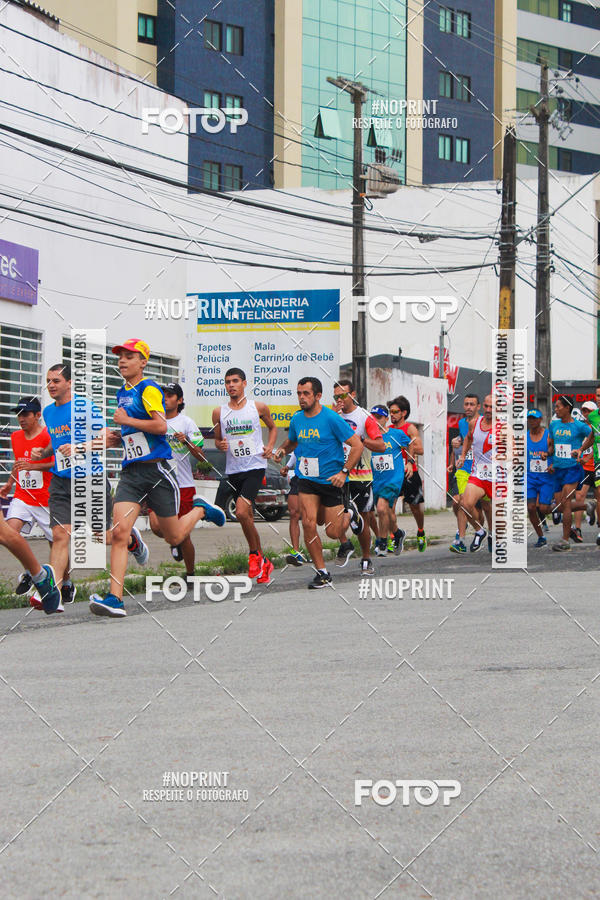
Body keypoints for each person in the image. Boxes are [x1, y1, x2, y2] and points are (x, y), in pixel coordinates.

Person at [89, 340, 225, 617]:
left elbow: (161, 426)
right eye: (120, 357)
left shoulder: (148, 389)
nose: (123, 361)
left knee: (173, 536)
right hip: (130, 473)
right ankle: (115, 599)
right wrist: (114, 439)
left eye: (130, 356)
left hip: (157, 471)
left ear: (143, 362)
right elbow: (135, 435)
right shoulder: (121, 392)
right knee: (118, 533)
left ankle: (200, 509)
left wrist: (127, 422)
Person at [30, 363, 116, 610]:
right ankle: (53, 594)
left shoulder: (84, 407)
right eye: (48, 381)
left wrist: (79, 448)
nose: (51, 386)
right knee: (60, 535)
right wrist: (43, 452)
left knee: (104, 537)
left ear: (69, 382)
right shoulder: (48, 412)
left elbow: (107, 440)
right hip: (61, 481)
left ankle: (130, 539)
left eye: (56, 381)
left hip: (91, 479)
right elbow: (57, 441)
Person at [273, 377, 363, 589]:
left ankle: (350, 513)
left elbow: (357, 445)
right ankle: (322, 572)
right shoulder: (296, 419)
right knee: (309, 523)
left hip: (332, 480)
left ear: (318, 396)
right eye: (299, 393)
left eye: (306, 394)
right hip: (307, 479)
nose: (301, 398)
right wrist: (282, 450)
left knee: (332, 531)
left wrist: (344, 472)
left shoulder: (331, 418)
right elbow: (293, 440)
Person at [212, 368, 278, 585]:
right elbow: (218, 440)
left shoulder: (257, 407)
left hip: (255, 466)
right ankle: (263, 561)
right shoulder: (219, 412)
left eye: (235, 381)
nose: (231, 385)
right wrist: (220, 444)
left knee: (240, 511)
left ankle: (253, 556)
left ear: (244, 383)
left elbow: (273, 427)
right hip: (234, 469)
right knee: (246, 517)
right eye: (228, 382)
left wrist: (269, 447)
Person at [148, 383, 206, 587]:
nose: (166, 398)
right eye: (163, 394)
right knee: (155, 526)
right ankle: (175, 542)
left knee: (183, 536)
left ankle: (190, 574)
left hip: (182, 485)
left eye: (170, 395)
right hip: (159, 482)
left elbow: (201, 457)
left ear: (179, 400)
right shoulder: (155, 421)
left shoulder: (186, 422)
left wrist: (187, 442)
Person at [0, 396, 59, 595]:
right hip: (22, 497)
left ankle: (64, 584)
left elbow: (56, 464)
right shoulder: (16, 437)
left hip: (46, 500)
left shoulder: (48, 435)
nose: (21, 418)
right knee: (8, 534)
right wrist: (9, 483)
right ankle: (31, 571)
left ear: (37, 415)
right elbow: (19, 464)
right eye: (18, 414)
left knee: (57, 545)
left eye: (25, 414)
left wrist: (33, 465)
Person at [332, 380, 386, 576]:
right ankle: (345, 544)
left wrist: (360, 440)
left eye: (343, 395)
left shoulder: (365, 417)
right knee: (333, 517)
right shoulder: (331, 416)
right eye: (336, 396)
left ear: (352, 394)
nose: (340, 400)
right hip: (337, 475)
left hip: (360, 476)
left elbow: (381, 446)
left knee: (363, 518)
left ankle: (366, 558)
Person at [548, 395, 591, 552]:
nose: (556, 409)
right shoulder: (554, 425)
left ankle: (565, 540)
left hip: (572, 469)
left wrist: (586, 456)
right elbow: (552, 446)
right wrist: (548, 457)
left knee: (566, 503)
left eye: (559, 406)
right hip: (558, 469)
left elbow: (594, 437)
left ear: (568, 408)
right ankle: (588, 506)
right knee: (559, 505)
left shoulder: (580, 426)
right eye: (555, 406)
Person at [369, 405, 412, 556]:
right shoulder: (369, 436)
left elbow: (410, 445)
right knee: (386, 512)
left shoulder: (396, 434)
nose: (375, 420)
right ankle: (398, 533)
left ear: (386, 419)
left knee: (381, 508)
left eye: (379, 417)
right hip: (377, 479)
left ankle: (381, 543)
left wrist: (410, 463)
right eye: (373, 416)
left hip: (394, 478)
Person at [455, 394, 494, 552]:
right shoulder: (474, 423)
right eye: (487, 406)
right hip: (478, 473)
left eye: (492, 407)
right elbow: (468, 439)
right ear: (483, 406)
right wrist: (462, 456)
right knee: (464, 503)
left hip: (497, 475)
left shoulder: (504, 427)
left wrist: (507, 457)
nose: (489, 410)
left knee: (490, 507)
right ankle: (476, 532)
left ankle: (493, 534)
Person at [387, 397, 426, 551]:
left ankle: (421, 531)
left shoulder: (410, 429)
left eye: (395, 412)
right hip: (393, 473)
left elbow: (420, 450)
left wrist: (403, 445)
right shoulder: (388, 429)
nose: (392, 415)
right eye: (390, 412)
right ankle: (393, 537)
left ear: (404, 413)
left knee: (415, 507)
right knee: (389, 506)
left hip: (410, 472)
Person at [449, 394, 484, 553]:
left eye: (472, 404)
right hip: (463, 469)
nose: (468, 407)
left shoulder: (484, 423)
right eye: (466, 404)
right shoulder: (462, 423)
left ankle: (483, 532)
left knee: (483, 508)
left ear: (479, 407)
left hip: (481, 471)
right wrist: (451, 462)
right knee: (458, 502)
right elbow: (459, 445)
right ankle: (462, 539)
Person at [526, 409, 555, 548]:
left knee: (543, 509)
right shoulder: (525, 437)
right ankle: (541, 536)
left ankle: (556, 508)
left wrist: (551, 461)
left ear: (540, 419)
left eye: (534, 418)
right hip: (530, 478)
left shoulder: (548, 435)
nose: (532, 421)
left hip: (546, 478)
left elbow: (554, 451)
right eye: (530, 418)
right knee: (531, 508)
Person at [575, 399, 600, 545]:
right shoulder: (591, 420)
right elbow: (592, 437)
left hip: (591, 463)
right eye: (583, 411)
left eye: (587, 411)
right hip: (594, 465)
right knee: (581, 495)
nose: (585, 414)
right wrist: (580, 450)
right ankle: (578, 529)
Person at [279, 451, 306, 566]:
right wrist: (288, 466)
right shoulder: (297, 434)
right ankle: (296, 552)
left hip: (317, 477)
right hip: (299, 477)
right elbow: (296, 450)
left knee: (314, 518)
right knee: (294, 513)